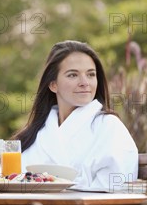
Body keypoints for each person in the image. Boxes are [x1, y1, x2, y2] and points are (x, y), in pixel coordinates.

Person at [14, 40, 138, 190]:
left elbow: (117, 186)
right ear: (53, 84)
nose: (85, 82)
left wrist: (55, 184)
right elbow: (12, 176)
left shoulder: (109, 126)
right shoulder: (39, 131)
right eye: (73, 75)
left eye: (91, 74)